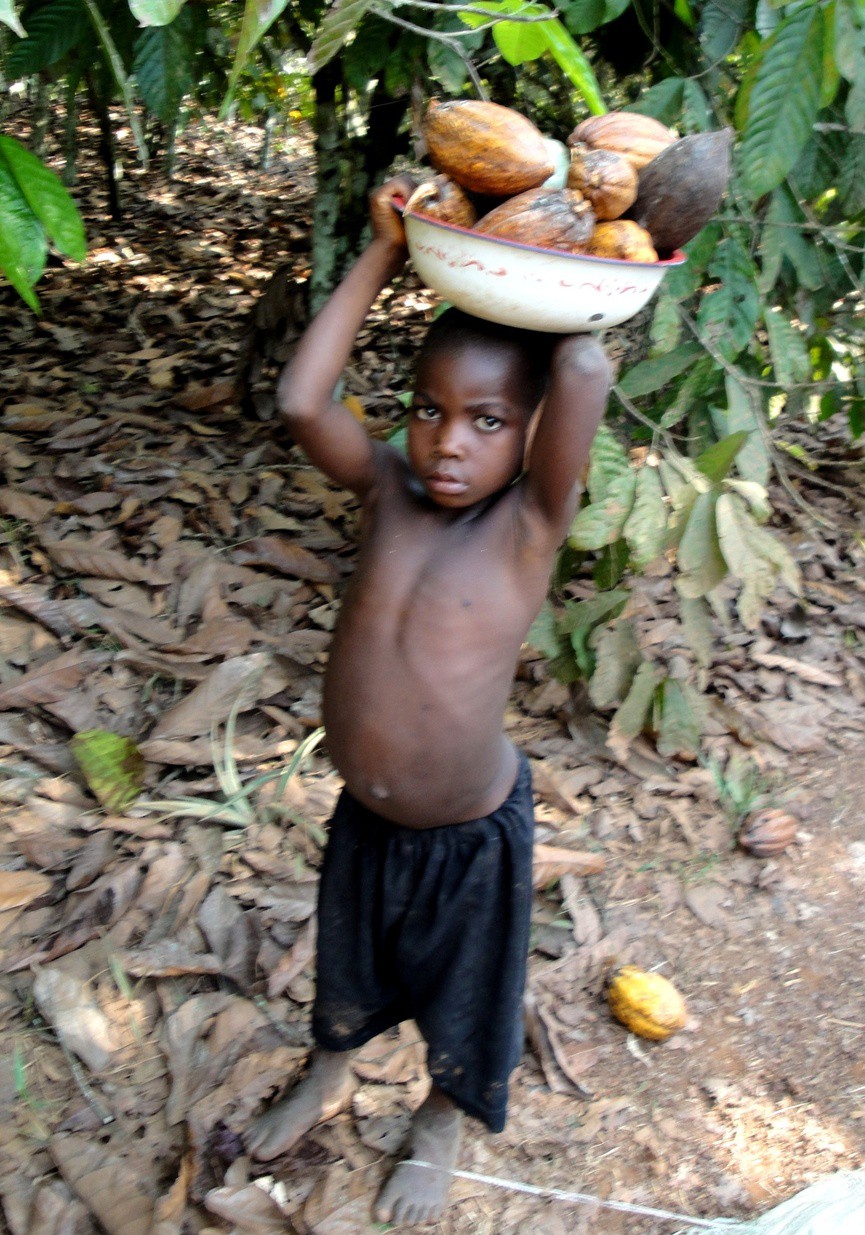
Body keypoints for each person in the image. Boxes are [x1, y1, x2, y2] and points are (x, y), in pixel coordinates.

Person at [243, 174, 612, 1225]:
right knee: (349, 961)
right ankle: (329, 1069)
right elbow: (301, 402)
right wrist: (389, 252)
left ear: (533, 436)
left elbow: (581, 366)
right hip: (367, 815)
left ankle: (442, 1120)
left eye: (488, 420)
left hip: (468, 834)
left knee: (464, 994)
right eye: (428, 409)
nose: (448, 440)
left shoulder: (529, 523)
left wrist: (600, 267)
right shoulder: (390, 492)